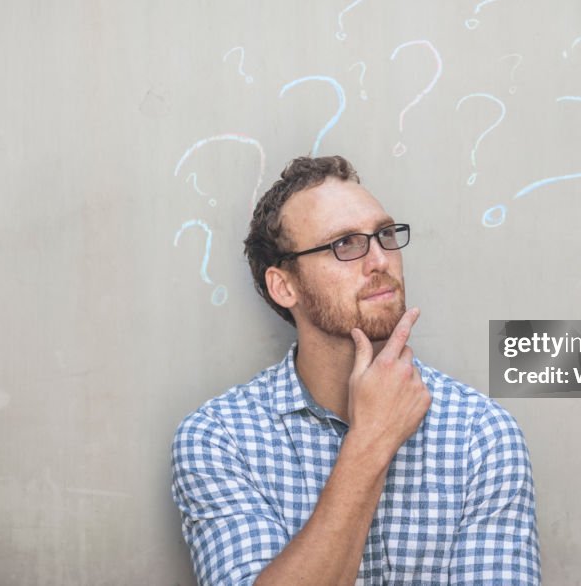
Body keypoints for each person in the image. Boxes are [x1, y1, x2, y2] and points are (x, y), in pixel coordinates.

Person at [170, 155, 540, 584]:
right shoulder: (220, 438)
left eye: (384, 234)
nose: (380, 260)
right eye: (344, 244)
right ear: (284, 286)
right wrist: (370, 442)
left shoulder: (482, 434)